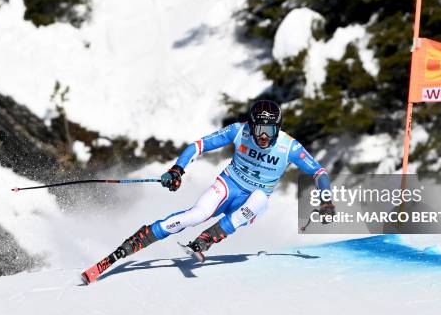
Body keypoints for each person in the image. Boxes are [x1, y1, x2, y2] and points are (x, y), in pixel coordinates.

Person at [113, 99, 335, 261]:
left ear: (278, 128)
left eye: (269, 130)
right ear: (251, 125)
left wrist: (326, 201)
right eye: (259, 129)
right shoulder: (239, 131)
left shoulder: (290, 146)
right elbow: (198, 146)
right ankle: (142, 238)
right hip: (227, 185)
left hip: (249, 202)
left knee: (260, 198)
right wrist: (177, 169)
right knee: (196, 215)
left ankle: (211, 237)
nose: (263, 136)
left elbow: (318, 172)